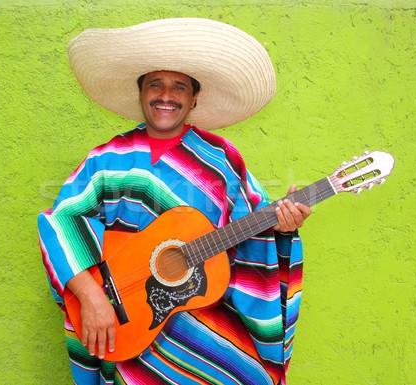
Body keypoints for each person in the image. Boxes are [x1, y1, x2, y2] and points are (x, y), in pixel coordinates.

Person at [38, 18, 311, 385]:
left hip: (195, 337)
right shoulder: (107, 160)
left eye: (179, 86)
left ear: (194, 97)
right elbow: (62, 221)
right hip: (123, 323)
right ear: (140, 92)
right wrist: (92, 298)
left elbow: (251, 231)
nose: (166, 95)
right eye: (156, 84)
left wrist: (281, 226)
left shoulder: (221, 162)